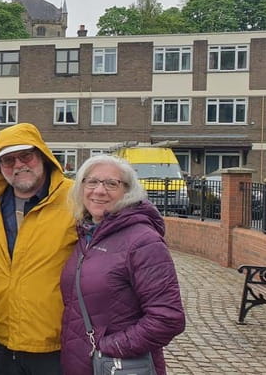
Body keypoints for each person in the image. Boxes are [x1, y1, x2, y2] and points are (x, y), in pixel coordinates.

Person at [59, 155, 186, 374]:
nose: (99, 191)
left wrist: (109, 347)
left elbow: (168, 318)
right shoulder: (85, 235)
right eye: (92, 182)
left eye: (111, 183)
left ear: (127, 191)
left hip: (118, 366)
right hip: (81, 364)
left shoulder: (143, 241)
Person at [0, 122, 77, 375]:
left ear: (42, 155)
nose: (18, 165)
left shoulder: (76, 200)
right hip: (3, 339)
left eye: (26, 156)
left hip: (56, 344)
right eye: (8, 160)